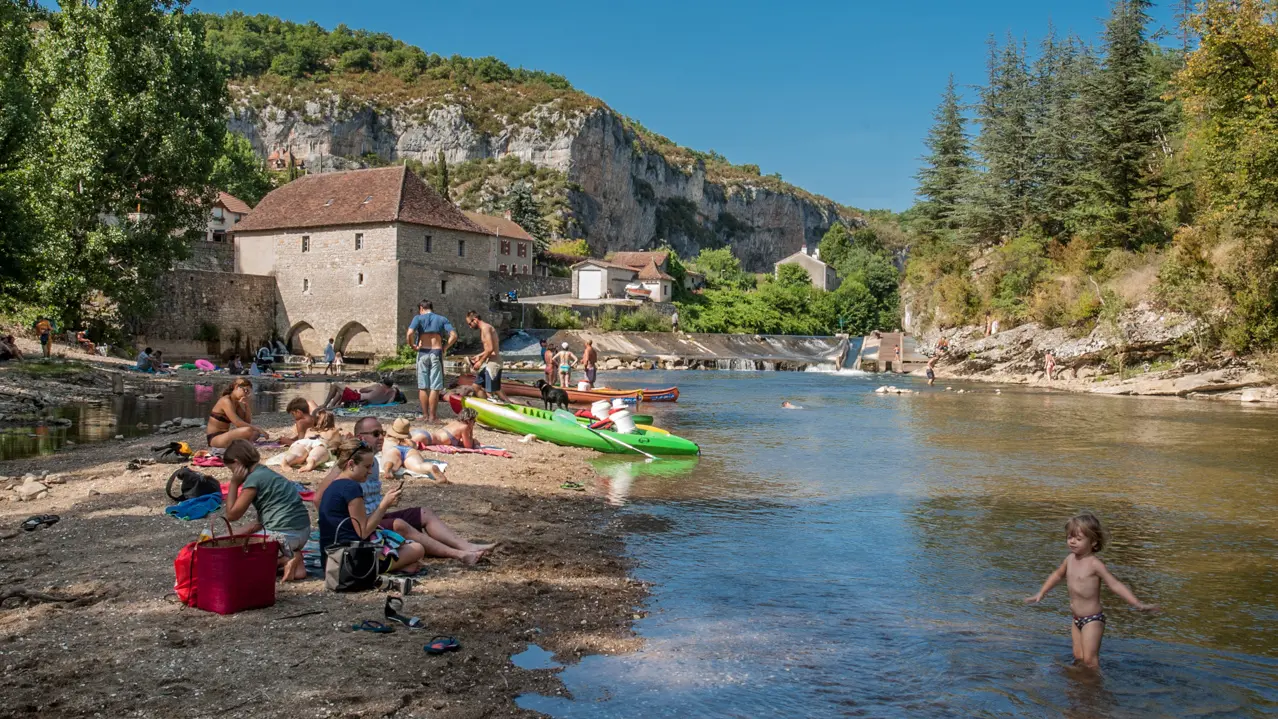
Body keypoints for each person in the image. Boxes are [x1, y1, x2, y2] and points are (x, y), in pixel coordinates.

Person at [314, 420, 493, 565]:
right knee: (403, 530)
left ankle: (467, 547)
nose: (381, 437)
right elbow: (319, 499)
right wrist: (335, 523)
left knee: (424, 514)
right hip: (361, 528)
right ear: (360, 438)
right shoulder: (345, 474)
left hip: (369, 521)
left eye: (383, 432)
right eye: (376, 434)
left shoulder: (371, 462)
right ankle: (458, 554)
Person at [1026, 513, 1158, 669]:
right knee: (1078, 657)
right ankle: (1079, 688)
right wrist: (1042, 592)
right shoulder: (1069, 560)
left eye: (1078, 539)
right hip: (1076, 619)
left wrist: (1137, 603)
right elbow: (1057, 575)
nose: (1072, 541)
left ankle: (1096, 689)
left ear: (1093, 542)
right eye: (1070, 537)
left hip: (1093, 619)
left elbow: (1114, 584)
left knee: (1090, 660)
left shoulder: (1095, 564)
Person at [316, 439, 426, 576]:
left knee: (404, 548)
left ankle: (398, 565)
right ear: (351, 464)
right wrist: (384, 504)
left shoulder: (334, 485)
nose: (369, 472)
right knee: (417, 549)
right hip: (349, 560)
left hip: (329, 559)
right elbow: (363, 531)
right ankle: (391, 566)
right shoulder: (351, 487)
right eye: (367, 467)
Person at [222, 439, 312, 582]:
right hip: (302, 531)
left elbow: (232, 515)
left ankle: (289, 558)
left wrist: (233, 483)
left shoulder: (254, 479)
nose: (233, 473)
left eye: (231, 469)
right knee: (245, 534)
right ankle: (295, 563)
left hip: (283, 534)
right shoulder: (266, 473)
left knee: (237, 563)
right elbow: (263, 519)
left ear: (237, 462)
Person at [406, 300, 457, 421]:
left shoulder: (418, 318)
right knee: (435, 386)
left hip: (423, 352)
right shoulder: (442, 319)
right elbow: (454, 335)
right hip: (436, 352)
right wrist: (445, 347)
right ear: (431, 308)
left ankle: (425, 415)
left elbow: (409, 333)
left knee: (423, 386)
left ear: (421, 308)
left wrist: (412, 345)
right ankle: (433, 417)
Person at [380, 418, 449, 483]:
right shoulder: (408, 442)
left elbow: (382, 450)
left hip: (393, 450)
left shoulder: (387, 440)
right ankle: (430, 467)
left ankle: (389, 467)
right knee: (419, 466)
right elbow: (415, 446)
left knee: (391, 463)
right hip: (409, 451)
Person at [205, 377, 267, 447]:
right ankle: (246, 444)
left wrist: (247, 405)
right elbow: (237, 423)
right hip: (215, 438)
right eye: (245, 391)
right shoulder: (225, 400)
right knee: (248, 430)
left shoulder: (235, 403)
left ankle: (246, 444)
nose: (246, 394)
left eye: (248, 392)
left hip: (224, 436)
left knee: (255, 433)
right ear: (237, 387)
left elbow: (246, 422)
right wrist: (258, 429)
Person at [465, 310, 509, 403]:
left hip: (494, 363)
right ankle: (486, 405)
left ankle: (500, 404)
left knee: (491, 392)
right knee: (476, 386)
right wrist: (478, 356)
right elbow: (488, 348)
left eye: (470, 323)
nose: (470, 326)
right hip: (489, 362)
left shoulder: (486, 328)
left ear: (475, 320)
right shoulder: (484, 329)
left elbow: (491, 349)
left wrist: (480, 362)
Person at [410, 408, 478, 450]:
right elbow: (468, 446)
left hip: (423, 434)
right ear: (469, 420)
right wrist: (471, 432)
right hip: (427, 438)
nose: (474, 423)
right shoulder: (464, 427)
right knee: (402, 447)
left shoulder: (454, 422)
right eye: (474, 421)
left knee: (401, 442)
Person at [320, 377, 400, 409]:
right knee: (341, 391)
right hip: (365, 403)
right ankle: (331, 406)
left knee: (335, 384)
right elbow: (389, 403)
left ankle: (325, 404)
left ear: (383, 382)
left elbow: (362, 390)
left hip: (358, 398)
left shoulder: (378, 386)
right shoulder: (392, 392)